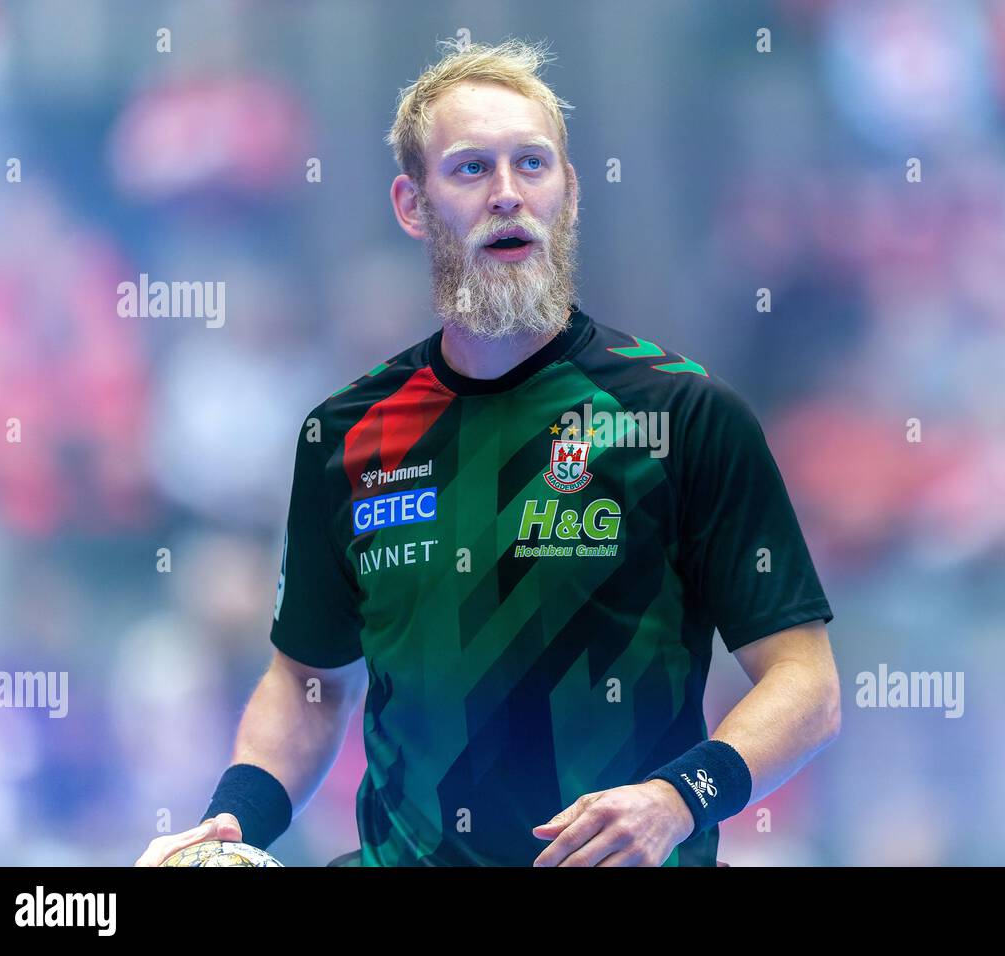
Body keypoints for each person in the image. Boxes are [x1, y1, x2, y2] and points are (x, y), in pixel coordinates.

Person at [136, 37, 840, 868]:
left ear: (569, 193)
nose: (508, 194)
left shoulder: (687, 415)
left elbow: (807, 684)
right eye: (471, 170)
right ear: (412, 204)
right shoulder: (344, 435)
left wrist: (674, 802)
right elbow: (307, 683)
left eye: (533, 165)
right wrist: (231, 825)